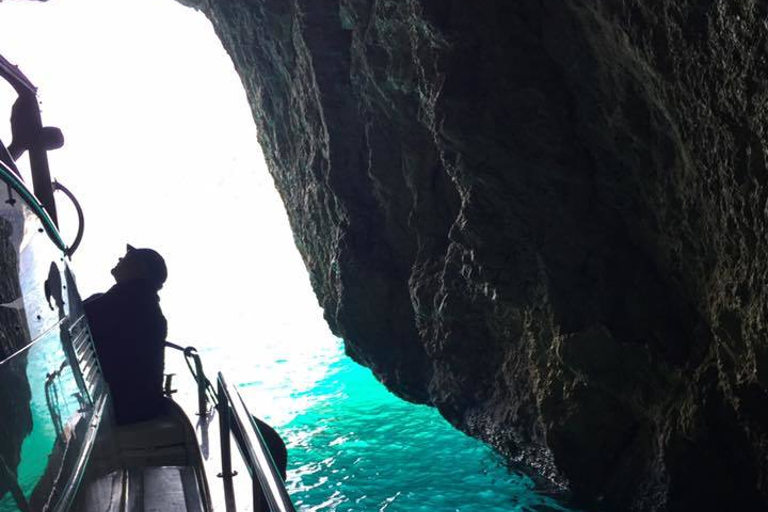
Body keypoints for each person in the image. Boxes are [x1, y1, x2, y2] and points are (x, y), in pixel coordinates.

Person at [84, 244, 168, 425]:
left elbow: (79, 314)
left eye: (128, 257)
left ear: (140, 269)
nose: (121, 259)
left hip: (126, 410)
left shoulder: (128, 301)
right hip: (144, 406)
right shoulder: (141, 301)